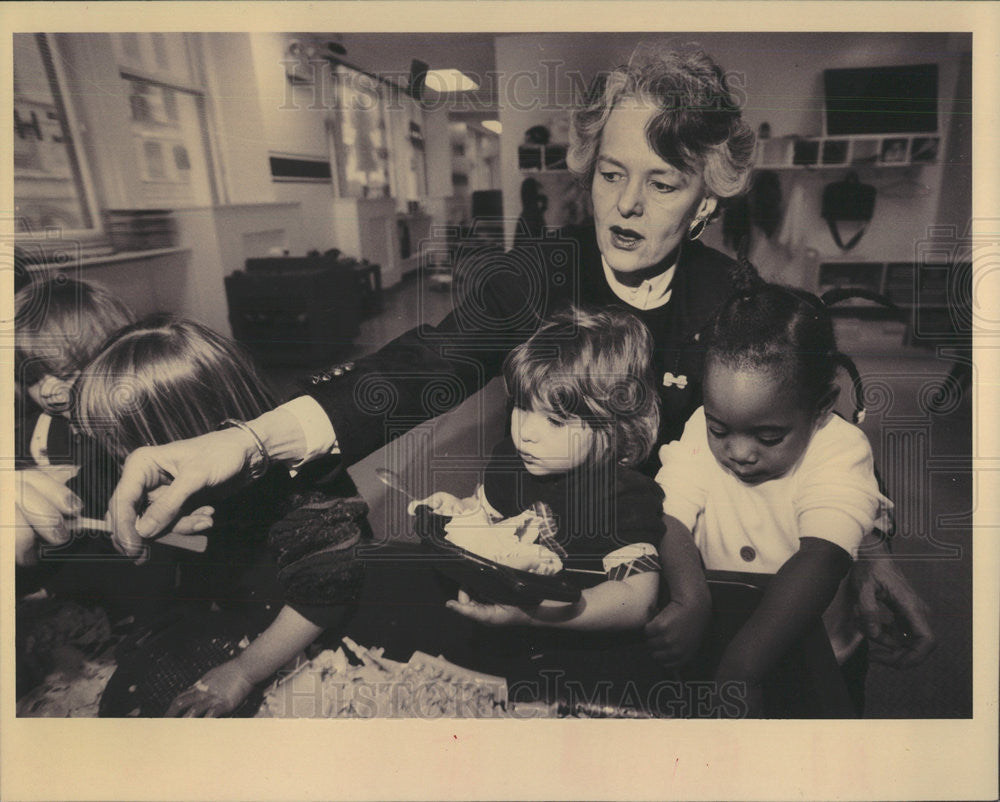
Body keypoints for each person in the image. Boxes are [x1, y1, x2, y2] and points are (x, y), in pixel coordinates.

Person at [91, 46, 933, 671]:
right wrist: (241, 441)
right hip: (527, 572)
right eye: (611, 174)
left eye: (662, 184)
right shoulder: (536, 277)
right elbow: (418, 366)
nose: (627, 205)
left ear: (709, 197)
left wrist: (871, 552)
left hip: (669, 585)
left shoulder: (737, 302)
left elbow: (814, 437)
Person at [73, 316, 364, 716]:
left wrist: (245, 671)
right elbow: (212, 545)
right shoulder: (191, 485)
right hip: (236, 612)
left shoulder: (302, 496)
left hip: (308, 633)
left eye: (125, 446)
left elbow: (326, 596)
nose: (123, 463)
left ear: (190, 434)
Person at [656, 258, 893, 715]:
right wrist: (690, 597)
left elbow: (821, 557)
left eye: (768, 437)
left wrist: (742, 669)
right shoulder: (695, 428)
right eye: (719, 429)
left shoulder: (841, 448)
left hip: (816, 653)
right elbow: (669, 515)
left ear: (822, 407)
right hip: (711, 638)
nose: (739, 452)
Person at [410, 306, 665, 631]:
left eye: (555, 420)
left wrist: (533, 616)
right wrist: (459, 511)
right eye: (521, 406)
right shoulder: (511, 461)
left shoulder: (623, 496)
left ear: (611, 428)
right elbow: (488, 516)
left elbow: (638, 601)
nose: (526, 432)